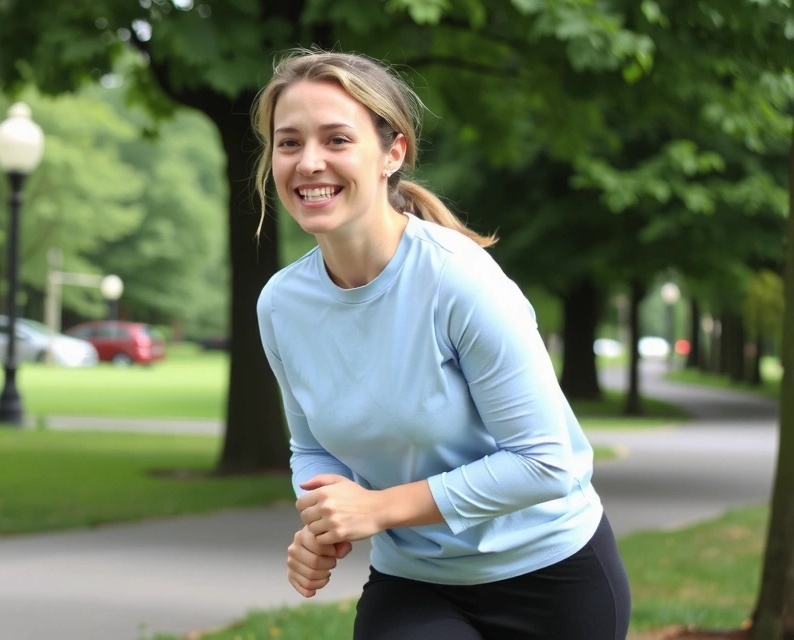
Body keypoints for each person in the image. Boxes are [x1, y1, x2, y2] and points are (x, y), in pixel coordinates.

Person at [252, 50, 632, 640]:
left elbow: (545, 462)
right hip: (416, 583)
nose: (309, 163)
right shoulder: (281, 305)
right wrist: (325, 519)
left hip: (552, 577)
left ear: (393, 152)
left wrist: (376, 509)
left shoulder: (459, 279)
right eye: (289, 142)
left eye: (336, 139)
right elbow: (313, 449)